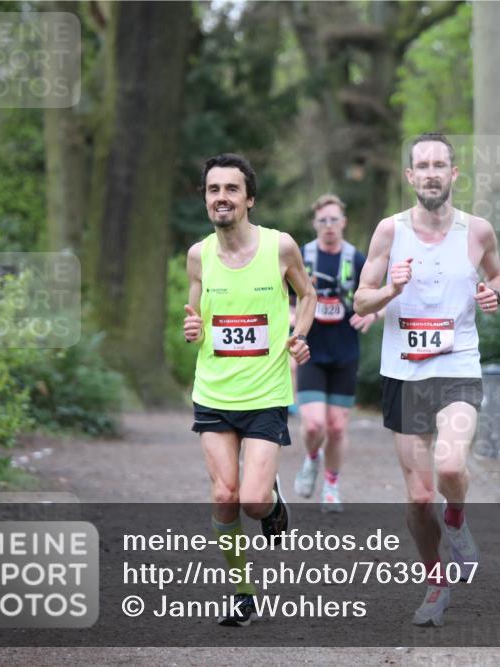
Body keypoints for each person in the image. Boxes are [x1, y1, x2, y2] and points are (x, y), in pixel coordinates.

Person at [353, 132, 500, 627]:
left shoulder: (478, 230)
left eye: (441, 164)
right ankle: (436, 584)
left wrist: (494, 294)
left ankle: (457, 520)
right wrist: (391, 288)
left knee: (450, 464)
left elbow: (498, 276)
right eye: (423, 165)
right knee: (419, 498)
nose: (433, 172)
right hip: (404, 373)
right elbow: (361, 301)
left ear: (454, 174)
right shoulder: (388, 232)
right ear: (411, 176)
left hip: (457, 364)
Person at [183, 153, 316, 627]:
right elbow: (195, 315)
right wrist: (193, 327)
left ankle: (273, 503)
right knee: (224, 495)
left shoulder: (279, 247)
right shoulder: (198, 256)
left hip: (265, 394)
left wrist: (298, 335)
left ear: (249, 199)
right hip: (215, 392)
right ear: (205, 198)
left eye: (231, 189)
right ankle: (242, 592)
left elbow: (309, 294)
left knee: (253, 501)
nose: (222, 197)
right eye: (213, 189)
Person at [291, 194, 379, 512]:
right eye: (323, 220)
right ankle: (311, 458)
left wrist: (372, 314)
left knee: (338, 427)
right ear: (315, 224)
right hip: (310, 352)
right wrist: (291, 316)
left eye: (334, 220)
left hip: (345, 352)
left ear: (344, 223)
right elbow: (281, 295)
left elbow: (380, 294)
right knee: (314, 425)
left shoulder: (356, 258)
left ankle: (331, 485)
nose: (329, 226)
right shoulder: (303, 256)